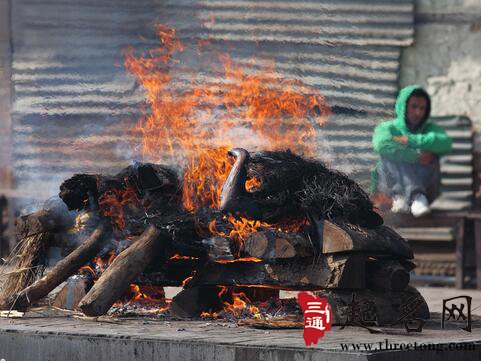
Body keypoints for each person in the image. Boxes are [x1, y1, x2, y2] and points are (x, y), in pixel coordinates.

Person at [370, 85, 452, 217]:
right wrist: (414, 156)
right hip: (389, 194)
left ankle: (416, 197)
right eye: (414, 107)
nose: (418, 112)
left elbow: (445, 143)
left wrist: (409, 139)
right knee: (389, 154)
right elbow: (381, 144)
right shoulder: (387, 128)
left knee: (432, 156)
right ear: (403, 106)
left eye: (422, 108)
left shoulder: (430, 129)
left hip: (426, 194)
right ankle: (409, 196)